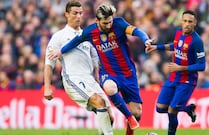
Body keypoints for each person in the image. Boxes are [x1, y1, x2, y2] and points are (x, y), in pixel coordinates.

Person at [48, 3, 152, 135]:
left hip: (128, 74)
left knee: (137, 113)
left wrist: (146, 40)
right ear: (97, 20)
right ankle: (129, 117)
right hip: (108, 73)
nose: (109, 25)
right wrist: (60, 51)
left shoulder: (119, 24)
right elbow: (75, 42)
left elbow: (136, 31)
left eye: (110, 22)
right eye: (105, 23)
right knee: (110, 88)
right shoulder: (90, 31)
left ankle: (132, 118)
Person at [44, 1, 113, 135]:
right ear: (66, 14)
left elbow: (95, 60)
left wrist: (99, 77)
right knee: (99, 102)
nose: (78, 16)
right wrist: (47, 87)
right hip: (73, 79)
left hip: (90, 80)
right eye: (75, 13)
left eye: (80, 13)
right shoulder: (59, 37)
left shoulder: (87, 35)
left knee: (109, 117)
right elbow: (48, 64)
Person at [145, 10, 206, 135]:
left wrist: (181, 68)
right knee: (160, 108)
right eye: (185, 21)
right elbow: (174, 46)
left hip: (187, 81)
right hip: (173, 77)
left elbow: (202, 65)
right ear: (181, 21)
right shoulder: (178, 32)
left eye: (190, 22)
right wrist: (156, 47)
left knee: (172, 110)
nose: (187, 24)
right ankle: (188, 109)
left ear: (195, 23)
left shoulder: (197, 41)